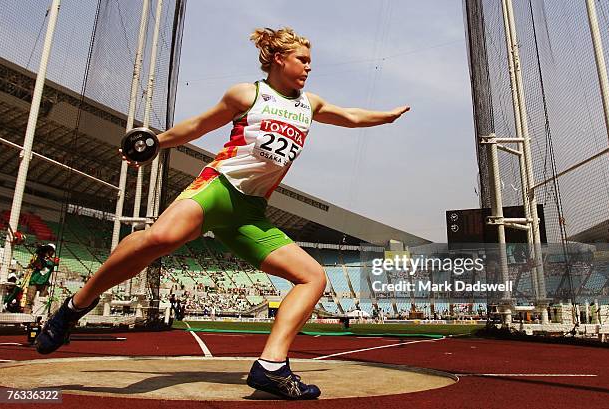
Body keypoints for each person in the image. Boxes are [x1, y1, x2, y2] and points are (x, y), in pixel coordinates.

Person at [35, 27, 410, 400]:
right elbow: (198, 126)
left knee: (312, 277)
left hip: (250, 212)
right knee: (162, 239)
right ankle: (74, 308)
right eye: (303, 60)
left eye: (310, 61)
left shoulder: (309, 104)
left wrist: (386, 116)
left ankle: (272, 367)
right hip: (218, 187)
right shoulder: (248, 94)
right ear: (280, 59)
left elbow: (351, 116)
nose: (309, 68)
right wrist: (155, 143)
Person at [24, 243, 57, 314]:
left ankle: (38, 317)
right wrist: (39, 252)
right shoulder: (39, 257)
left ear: (53, 252)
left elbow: (55, 263)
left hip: (44, 284)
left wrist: (47, 256)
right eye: (47, 249)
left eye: (51, 250)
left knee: (41, 301)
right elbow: (37, 266)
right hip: (34, 281)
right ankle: (25, 316)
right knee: (29, 300)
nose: (49, 251)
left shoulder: (53, 260)